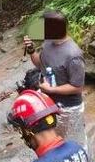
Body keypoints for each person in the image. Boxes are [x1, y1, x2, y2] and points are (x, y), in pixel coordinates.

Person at [23, 10, 87, 151]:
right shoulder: (48, 43)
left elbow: (77, 87)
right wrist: (31, 50)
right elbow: (41, 64)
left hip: (69, 108)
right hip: (49, 103)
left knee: (76, 144)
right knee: (54, 144)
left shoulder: (73, 55)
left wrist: (51, 89)